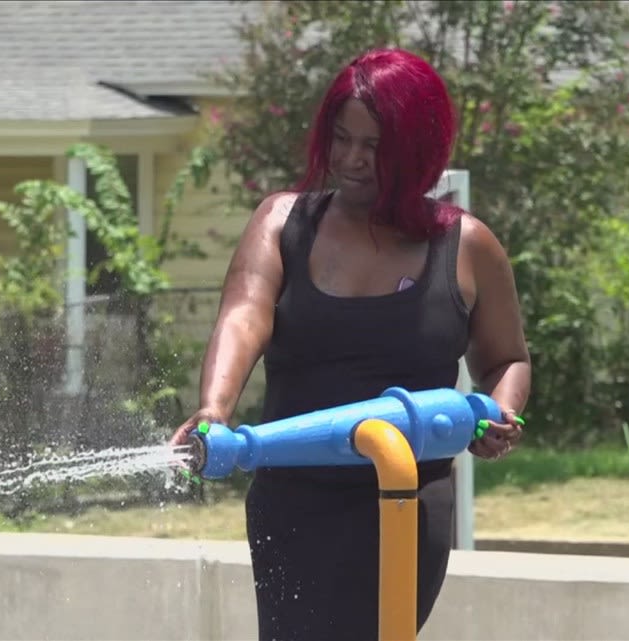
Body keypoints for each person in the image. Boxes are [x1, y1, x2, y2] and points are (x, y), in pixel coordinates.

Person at [171, 47, 531, 641]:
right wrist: (215, 409)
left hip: (404, 505)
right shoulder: (283, 222)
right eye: (341, 139)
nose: (351, 159)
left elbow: (507, 359)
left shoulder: (467, 246)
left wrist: (500, 412)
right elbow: (243, 316)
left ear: (416, 152)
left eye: (374, 147)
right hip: (292, 499)